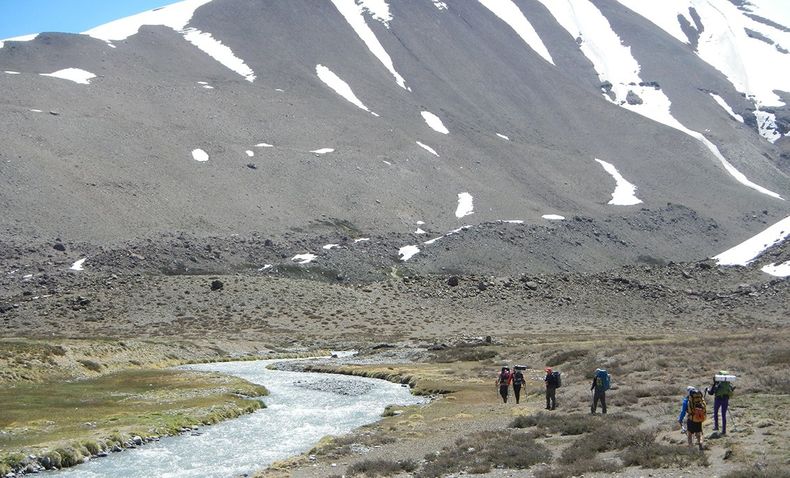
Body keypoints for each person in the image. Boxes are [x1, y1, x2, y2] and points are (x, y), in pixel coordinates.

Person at [706, 371, 735, 436]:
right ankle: (724, 430)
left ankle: (716, 427)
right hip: (725, 399)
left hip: (718, 399)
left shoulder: (717, 383)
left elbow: (711, 393)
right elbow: (731, 390)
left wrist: (707, 389)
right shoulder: (728, 383)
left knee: (715, 413)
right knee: (723, 415)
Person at [678, 386, 706, 450]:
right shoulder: (699, 399)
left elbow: (683, 412)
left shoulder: (686, 400)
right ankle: (700, 444)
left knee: (690, 434)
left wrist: (680, 419)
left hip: (691, 419)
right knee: (699, 432)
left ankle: (691, 447)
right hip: (699, 418)